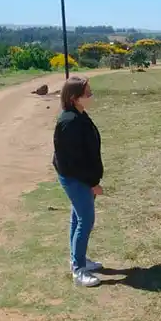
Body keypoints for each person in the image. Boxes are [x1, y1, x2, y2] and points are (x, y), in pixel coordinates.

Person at [53, 76, 104, 287]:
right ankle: (78, 269)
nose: (91, 97)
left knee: (78, 217)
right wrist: (92, 182)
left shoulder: (79, 115)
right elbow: (71, 162)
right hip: (76, 179)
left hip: (81, 177)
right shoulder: (69, 122)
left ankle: (78, 259)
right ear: (74, 98)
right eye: (88, 93)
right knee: (85, 220)